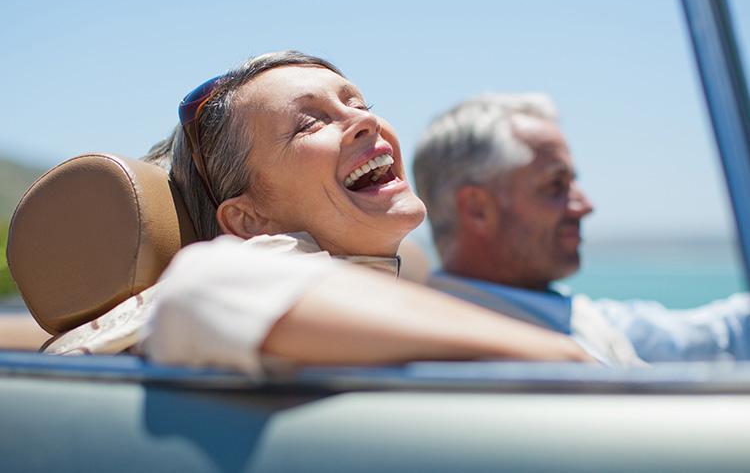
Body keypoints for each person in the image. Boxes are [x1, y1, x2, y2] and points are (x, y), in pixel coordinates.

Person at [46, 52, 594, 371]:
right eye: (308, 124)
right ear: (249, 220)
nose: (364, 122)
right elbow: (204, 287)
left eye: (358, 104)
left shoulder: (364, 296)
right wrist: (565, 362)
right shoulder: (255, 268)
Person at [413, 92, 750, 365]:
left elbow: (714, 334)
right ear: (477, 209)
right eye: (555, 185)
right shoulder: (457, 352)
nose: (585, 206)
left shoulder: (571, 314)